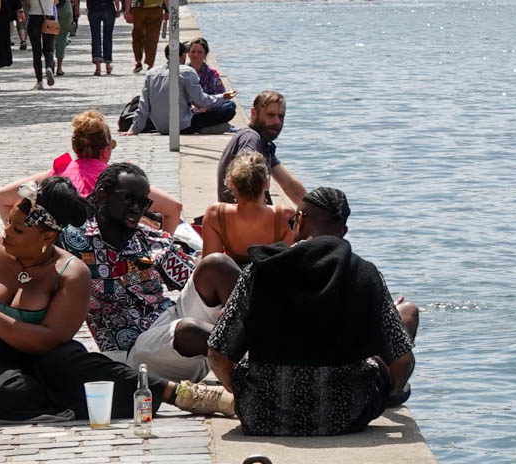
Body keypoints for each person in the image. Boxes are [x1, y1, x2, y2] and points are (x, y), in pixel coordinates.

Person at [0, 175, 231, 422]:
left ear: (47, 237)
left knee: (81, 364)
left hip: (45, 358)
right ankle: (80, 395)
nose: (6, 232)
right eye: (8, 223)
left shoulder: (70, 272)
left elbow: (49, 341)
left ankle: (180, 394)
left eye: (17, 229)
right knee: (11, 393)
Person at [208, 187, 419, 436]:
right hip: (343, 419)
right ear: (343, 232)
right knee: (398, 327)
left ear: (299, 219)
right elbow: (403, 361)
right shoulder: (365, 274)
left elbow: (218, 355)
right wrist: (390, 391)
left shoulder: (260, 270)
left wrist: (244, 391)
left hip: (263, 417)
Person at [60, 162, 240, 384]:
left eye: (143, 202)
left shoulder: (150, 239)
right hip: (134, 352)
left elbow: (193, 278)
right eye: (128, 199)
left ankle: (263, 350)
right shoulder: (73, 241)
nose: (137, 208)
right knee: (188, 329)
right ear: (102, 195)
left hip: (176, 333)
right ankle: (250, 368)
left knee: (217, 265)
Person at [0, 110, 185, 228]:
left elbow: (2, 196)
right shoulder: (120, 179)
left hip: (65, 257)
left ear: (75, 147)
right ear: (106, 150)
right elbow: (174, 208)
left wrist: (16, 232)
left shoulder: (58, 173)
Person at [202, 152, 295, 266]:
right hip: (270, 276)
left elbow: (210, 264)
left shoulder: (216, 214)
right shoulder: (286, 216)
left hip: (232, 276)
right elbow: (289, 264)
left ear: (232, 184)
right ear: (265, 184)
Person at [215, 91, 305, 207]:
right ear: (254, 113)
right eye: (271, 115)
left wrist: (314, 210)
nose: (277, 122)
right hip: (243, 214)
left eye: (281, 116)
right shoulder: (251, 138)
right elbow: (245, 175)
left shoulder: (264, 144)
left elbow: (289, 185)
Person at [131, 62, 237, 135]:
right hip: (183, 125)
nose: (195, 55)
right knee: (230, 107)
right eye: (193, 52)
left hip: (161, 127)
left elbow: (143, 105)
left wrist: (134, 129)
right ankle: (208, 128)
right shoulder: (187, 72)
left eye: (199, 52)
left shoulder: (151, 74)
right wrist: (223, 96)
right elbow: (202, 101)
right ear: (183, 55)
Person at [22, 0, 60, 90]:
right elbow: (56, 1)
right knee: (49, 48)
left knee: (36, 51)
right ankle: (49, 67)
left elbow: (27, 3)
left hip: (34, 18)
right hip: (49, 17)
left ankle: (39, 81)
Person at [84, 0, 120, 76]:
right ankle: (108, 65)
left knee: (95, 36)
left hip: (94, 7)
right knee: (108, 35)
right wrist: (117, 8)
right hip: (108, 7)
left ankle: (98, 67)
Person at [49, 0, 79, 80]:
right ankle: (59, 67)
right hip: (64, 4)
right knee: (61, 37)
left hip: (49, 6)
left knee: (50, 36)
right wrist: (76, 7)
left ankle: (50, 63)